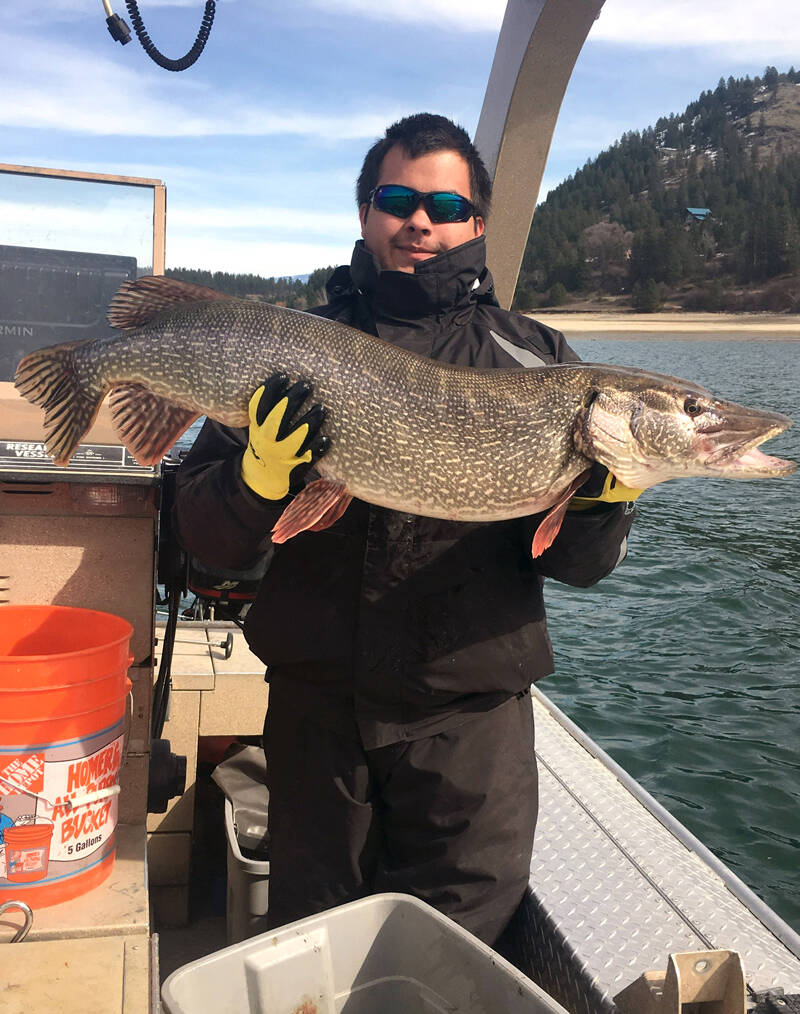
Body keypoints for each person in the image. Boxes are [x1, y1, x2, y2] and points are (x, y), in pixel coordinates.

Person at [173, 113, 637, 947]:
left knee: (452, 959)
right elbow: (203, 541)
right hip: (320, 724)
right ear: (365, 214)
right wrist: (256, 482)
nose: (420, 220)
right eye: (396, 198)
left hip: (469, 733)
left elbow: (580, 566)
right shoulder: (290, 352)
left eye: (445, 205)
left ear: (476, 224)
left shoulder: (538, 363)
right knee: (313, 947)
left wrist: (602, 506)